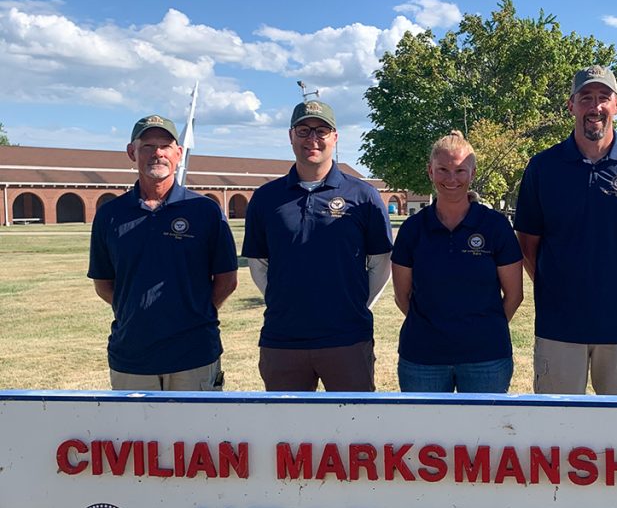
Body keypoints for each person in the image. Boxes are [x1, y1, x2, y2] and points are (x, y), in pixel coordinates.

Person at [514, 65, 617, 395]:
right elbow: (528, 244)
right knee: (557, 430)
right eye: (586, 97)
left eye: (603, 97)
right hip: (559, 325)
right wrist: (558, 286)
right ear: (571, 105)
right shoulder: (543, 167)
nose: (595, 106)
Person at [242, 100, 392, 391]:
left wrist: (356, 304)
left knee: (353, 427)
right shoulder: (266, 198)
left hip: (347, 337)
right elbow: (259, 264)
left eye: (321, 131)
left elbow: (380, 261)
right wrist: (284, 299)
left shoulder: (363, 195)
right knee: (287, 431)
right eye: (304, 130)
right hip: (283, 338)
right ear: (290, 136)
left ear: (335, 137)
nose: (312, 139)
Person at [88, 114, 238, 390]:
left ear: (178, 154)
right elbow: (104, 284)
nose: (157, 153)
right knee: (135, 433)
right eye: (147, 146)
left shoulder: (205, 211)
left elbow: (227, 280)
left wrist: (191, 313)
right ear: (132, 152)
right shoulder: (110, 215)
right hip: (132, 357)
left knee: (197, 432)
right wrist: (138, 312)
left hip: (194, 354)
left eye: (165, 146)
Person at [391, 131, 524, 393]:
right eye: (443, 170)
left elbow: (515, 295)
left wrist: (483, 329)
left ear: (472, 174)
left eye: (460, 171)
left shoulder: (494, 226)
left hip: (486, 357)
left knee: (483, 433)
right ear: (430, 171)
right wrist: (435, 329)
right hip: (422, 358)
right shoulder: (413, 229)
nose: (451, 179)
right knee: (425, 433)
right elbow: (401, 296)